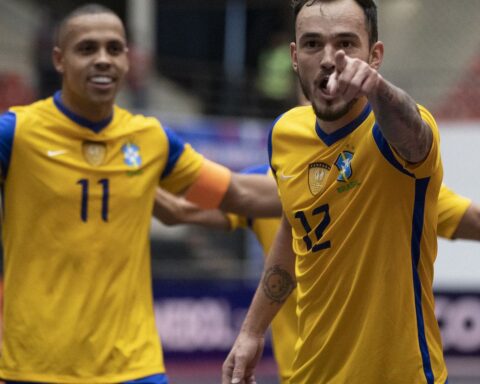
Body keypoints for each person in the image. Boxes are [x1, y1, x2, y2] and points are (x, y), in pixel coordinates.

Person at [0, 4, 281, 384]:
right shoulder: (16, 134)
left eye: (114, 49)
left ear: (128, 60)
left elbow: (237, 194)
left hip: (134, 367)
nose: (103, 60)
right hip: (35, 366)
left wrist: (328, 190)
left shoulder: (150, 140)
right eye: (87, 49)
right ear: (58, 60)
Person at [221, 0, 450, 382]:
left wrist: (378, 90)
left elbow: (414, 135)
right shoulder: (284, 135)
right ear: (294, 56)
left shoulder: (393, 133)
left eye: (346, 43)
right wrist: (251, 330)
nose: (330, 59)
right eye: (312, 44)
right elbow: (295, 225)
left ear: (374, 55)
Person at [154, 174, 479, 383]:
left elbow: (181, 210)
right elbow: (183, 209)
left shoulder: (396, 177)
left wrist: (139, 176)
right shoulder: (397, 179)